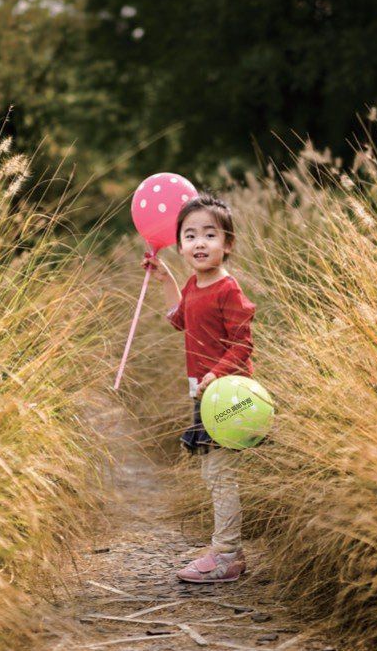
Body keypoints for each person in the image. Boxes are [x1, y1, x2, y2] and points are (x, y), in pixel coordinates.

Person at [140, 193, 257, 583]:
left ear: (228, 244)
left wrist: (217, 374)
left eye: (210, 234)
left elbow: (243, 345)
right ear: (180, 245)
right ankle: (225, 546)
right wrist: (167, 280)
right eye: (190, 236)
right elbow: (180, 320)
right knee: (213, 474)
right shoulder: (194, 284)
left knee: (222, 475)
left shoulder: (228, 290)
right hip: (204, 394)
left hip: (228, 397)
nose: (200, 243)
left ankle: (227, 554)